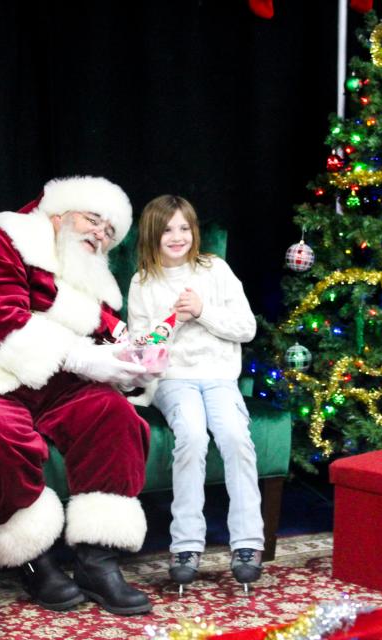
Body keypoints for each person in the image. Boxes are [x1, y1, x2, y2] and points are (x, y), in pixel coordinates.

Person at [0, 175, 156, 616]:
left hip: (49, 383)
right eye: (93, 218)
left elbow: (101, 339)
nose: (100, 233)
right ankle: (30, 556)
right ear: (59, 214)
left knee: (113, 413)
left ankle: (97, 559)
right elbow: (3, 323)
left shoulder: (83, 277)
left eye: (109, 231)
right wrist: (87, 361)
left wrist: (130, 368)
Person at [126, 194, 264, 593]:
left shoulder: (215, 270)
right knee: (190, 438)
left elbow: (246, 328)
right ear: (153, 233)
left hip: (219, 376)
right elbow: (140, 348)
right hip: (173, 379)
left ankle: (248, 543)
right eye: (168, 229)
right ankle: (186, 545)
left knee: (236, 438)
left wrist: (202, 310)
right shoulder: (143, 281)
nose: (177, 236)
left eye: (184, 227)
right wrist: (174, 318)